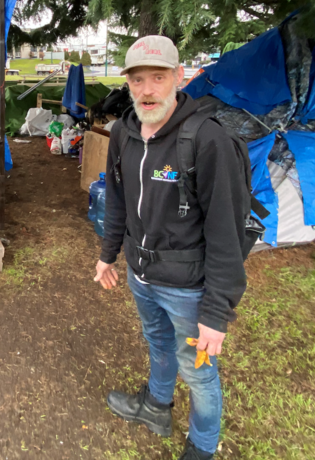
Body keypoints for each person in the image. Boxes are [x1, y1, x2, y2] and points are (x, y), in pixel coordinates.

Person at [94, 36, 251, 460]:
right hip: (140, 274)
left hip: (188, 288)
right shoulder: (122, 134)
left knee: (199, 373)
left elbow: (226, 233)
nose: (147, 90)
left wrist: (216, 312)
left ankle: (202, 448)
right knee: (157, 343)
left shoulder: (206, 139)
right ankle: (156, 407)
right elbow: (117, 202)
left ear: (179, 78)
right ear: (128, 84)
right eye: (138, 79)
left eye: (158, 78)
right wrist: (108, 255)